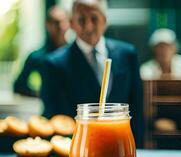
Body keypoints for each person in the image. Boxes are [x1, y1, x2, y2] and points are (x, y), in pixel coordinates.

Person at [41, 0, 144, 148]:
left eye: (94, 18)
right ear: (71, 22)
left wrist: (137, 148)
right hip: (79, 150)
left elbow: (137, 107)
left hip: (121, 146)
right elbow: (55, 117)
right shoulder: (54, 64)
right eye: (81, 19)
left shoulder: (128, 54)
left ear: (105, 20)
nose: (88, 26)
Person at [14, 6, 69, 97]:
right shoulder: (36, 57)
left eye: (63, 21)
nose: (60, 26)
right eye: (55, 22)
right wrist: (42, 94)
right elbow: (19, 86)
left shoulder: (76, 55)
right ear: (47, 24)